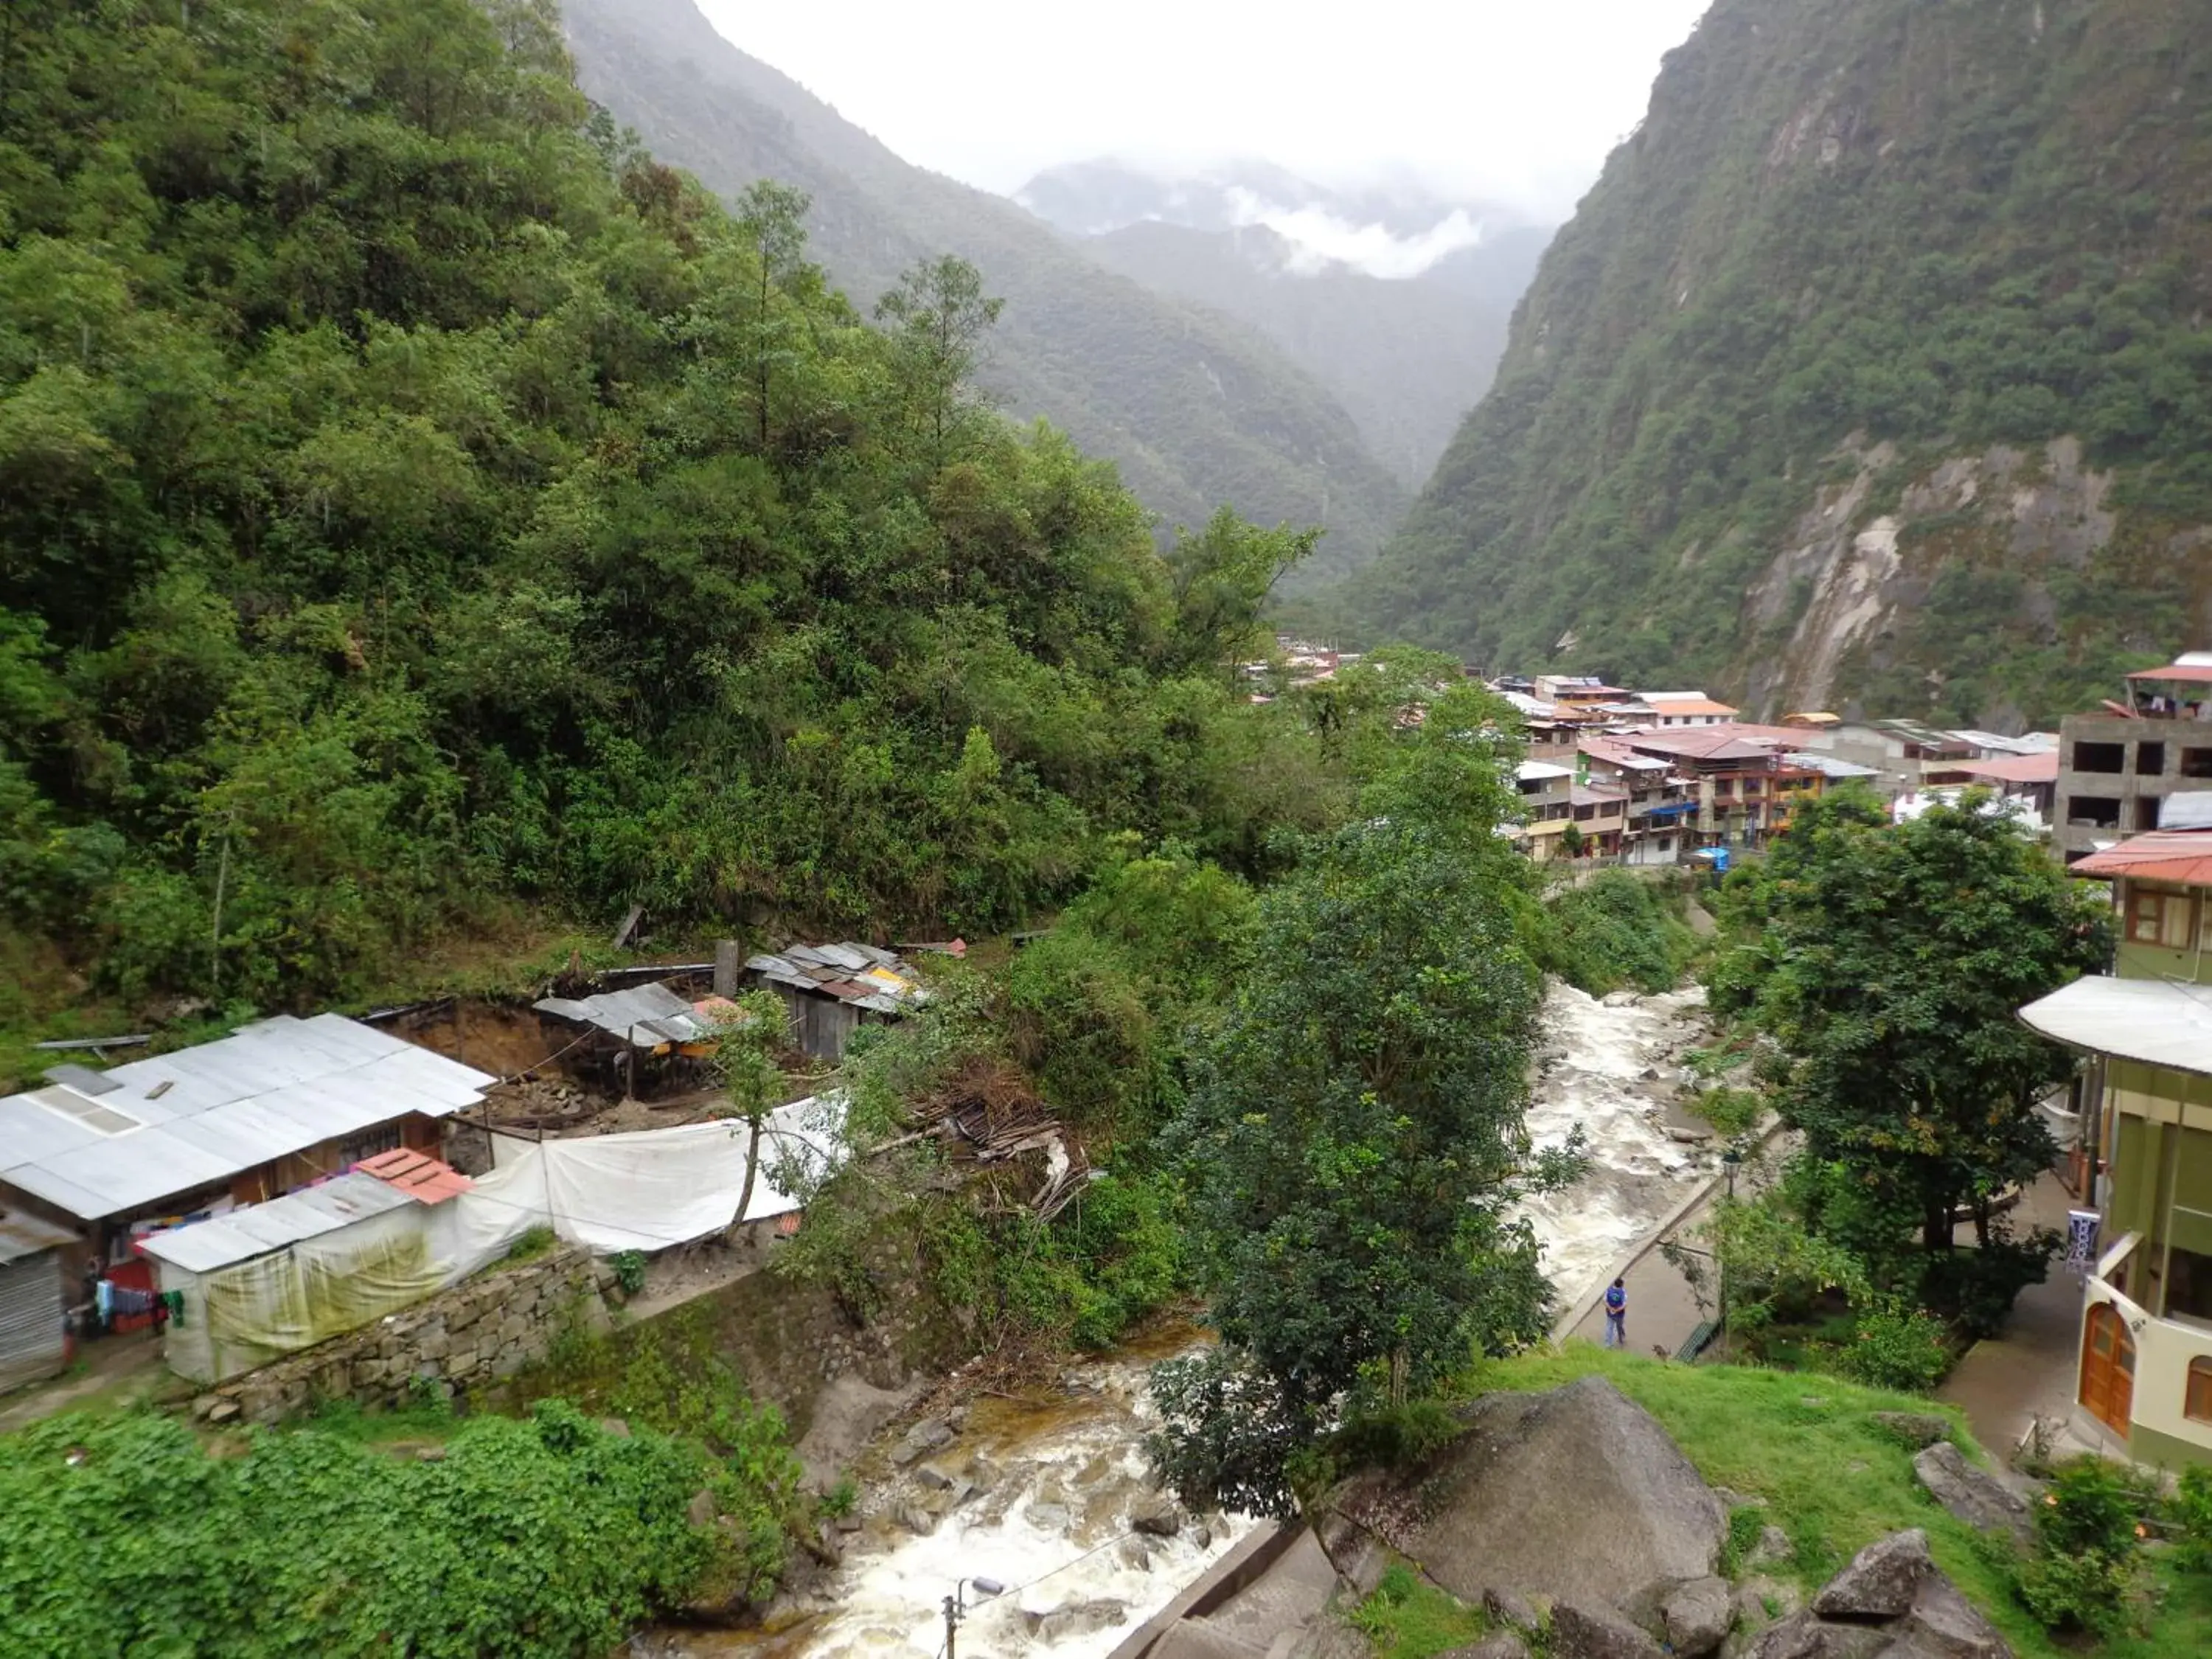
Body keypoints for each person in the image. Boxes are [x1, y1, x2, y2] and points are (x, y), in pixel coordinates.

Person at [1603, 1277, 1627, 1349]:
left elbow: (1604, 1301)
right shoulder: (1622, 1292)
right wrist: (1617, 1310)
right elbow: (1625, 1305)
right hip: (1619, 1314)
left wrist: (1611, 1309)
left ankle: (1608, 1344)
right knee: (1618, 1326)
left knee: (1609, 1327)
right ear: (1621, 1285)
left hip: (1610, 1313)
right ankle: (1620, 1338)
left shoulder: (1609, 1290)